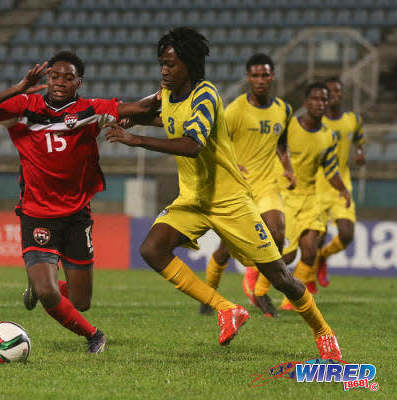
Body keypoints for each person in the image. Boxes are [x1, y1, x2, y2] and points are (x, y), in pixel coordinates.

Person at [104, 27, 342, 359]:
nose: (164, 70)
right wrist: (93, 111)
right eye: (162, 64)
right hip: (193, 199)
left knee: (280, 278)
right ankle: (226, 308)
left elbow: (193, 145)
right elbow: (143, 109)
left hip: (230, 201)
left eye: (170, 64)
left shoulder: (206, 95)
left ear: (188, 64)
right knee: (152, 249)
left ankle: (324, 332)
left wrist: (137, 139)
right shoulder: (166, 93)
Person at [0, 51, 159, 354]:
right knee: (48, 291)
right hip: (36, 213)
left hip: (76, 214)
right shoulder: (25, 107)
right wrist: (18, 88)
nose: (60, 82)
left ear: (78, 82)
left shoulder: (90, 110)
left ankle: (43, 288)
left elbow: (138, 109)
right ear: (47, 79)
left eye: (68, 77)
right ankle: (93, 335)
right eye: (54, 76)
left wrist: (162, 95)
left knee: (81, 300)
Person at [201, 53, 296, 318]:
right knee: (225, 251)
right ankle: (208, 294)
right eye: (255, 75)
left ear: (273, 76)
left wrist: (288, 168)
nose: (260, 80)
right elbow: (216, 143)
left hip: (267, 185)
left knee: (277, 235)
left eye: (265, 75)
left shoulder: (284, 110)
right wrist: (232, 164)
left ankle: (261, 292)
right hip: (238, 189)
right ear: (248, 78)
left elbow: (281, 143)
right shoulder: (235, 111)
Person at [277, 83, 352, 310]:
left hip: (309, 198)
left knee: (310, 251)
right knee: (287, 257)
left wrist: (342, 189)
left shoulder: (328, 135)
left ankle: (290, 301)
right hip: (285, 195)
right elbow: (275, 147)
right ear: (306, 102)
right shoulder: (290, 125)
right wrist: (286, 168)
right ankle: (256, 281)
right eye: (315, 99)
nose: (320, 103)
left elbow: (330, 169)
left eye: (324, 100)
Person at [313, 77, 365, 290]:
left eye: (338, 91)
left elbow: (359, 139)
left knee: (346, 233)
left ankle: (322, 257)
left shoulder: (353, 119)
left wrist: (359, 152)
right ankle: (307, 282)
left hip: (341, 186)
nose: (335, 94)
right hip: (317, 187)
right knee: (316, 238)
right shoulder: (316, 122)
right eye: (331, 91)